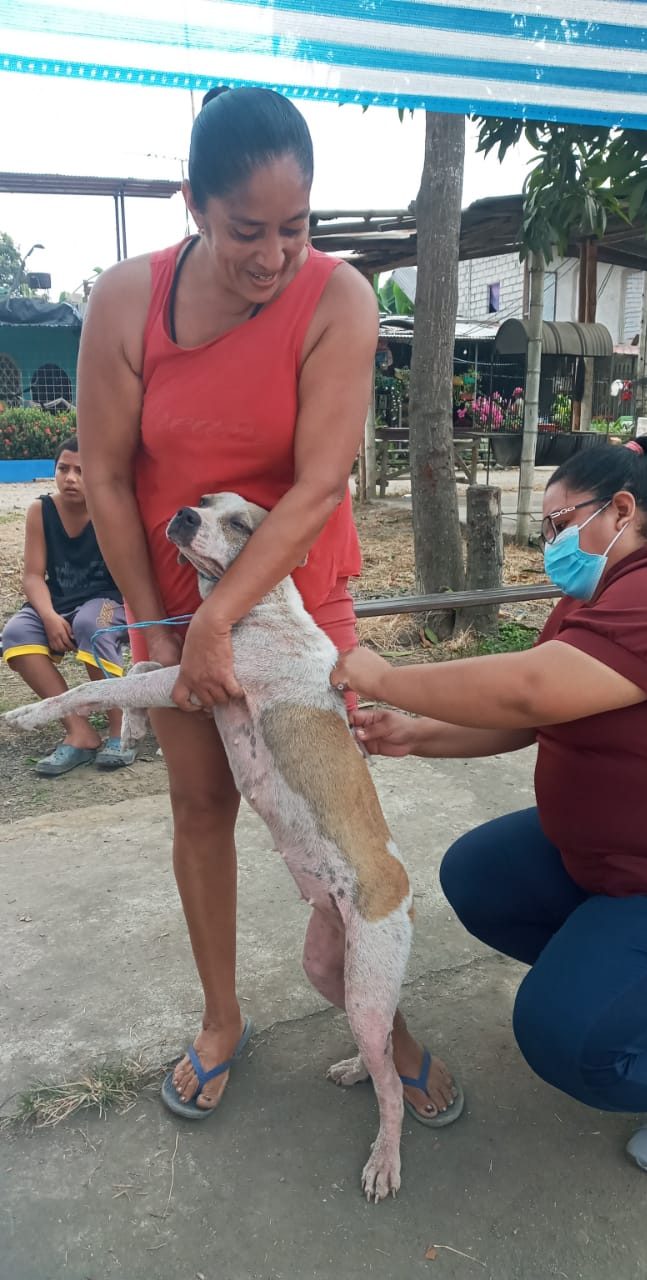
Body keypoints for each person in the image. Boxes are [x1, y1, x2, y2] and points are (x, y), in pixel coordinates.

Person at [76, 85, 462, 1124]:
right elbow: (106, 474)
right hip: (173, 594)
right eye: (247, 229)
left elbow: (322, 481)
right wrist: (160, 623)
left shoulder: (338, 298)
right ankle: (221, 1019)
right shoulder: (126, 300)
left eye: (296, 226)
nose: (274, 255)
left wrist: (220, 621)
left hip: (296, 601)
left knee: (336, 820)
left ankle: (385, 1022)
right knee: (202, 806)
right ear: (193, 204)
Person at [332, 435, 647, 1178]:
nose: (549, 544)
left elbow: (529, 691)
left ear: (622, 511)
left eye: (557, 524)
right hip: (615, 863)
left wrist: (387, 676)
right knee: (480, 875)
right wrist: (417, 735)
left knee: (566, 1039)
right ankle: (638, 993)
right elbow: (543, 716)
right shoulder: (594, 597)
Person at [2, 436, 135, 775]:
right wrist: (48, 616)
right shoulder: (41, 511)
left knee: (92, 625)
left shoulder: (114, 510)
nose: (71, 478)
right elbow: (33, 576)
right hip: (59, 601)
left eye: (81, 470)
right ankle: (79, 730)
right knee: (16, 635)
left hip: (109, 601)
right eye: (63, 469)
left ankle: (121, 730)